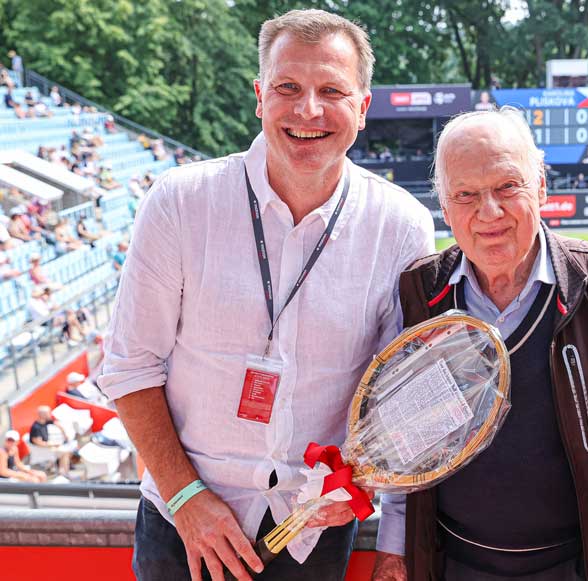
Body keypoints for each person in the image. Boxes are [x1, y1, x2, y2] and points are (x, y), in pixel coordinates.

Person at [97, 9, 435, 581]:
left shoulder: (401, 226)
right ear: (259, 96)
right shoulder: (180, 203)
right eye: (288, 87)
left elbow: (397, 394)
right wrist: (185, 500)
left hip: (313, 535)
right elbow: (130, 368)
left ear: (362, 108)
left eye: (331, 90)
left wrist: (363, 479)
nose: (308, 110)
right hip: (182, 525)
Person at [372, 108, 588, 581]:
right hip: (454, 564)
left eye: (506, 187)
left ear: (541, 186)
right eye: (466, 195)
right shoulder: (418, 295)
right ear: (444, 204)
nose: (489, 212)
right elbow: (401, 444)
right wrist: (394, 548)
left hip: (579, 566)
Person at [29, 406, 76, 478]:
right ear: (42, 415)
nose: (50, 415)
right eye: (48, 413)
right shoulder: (36, 427)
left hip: (48, 447)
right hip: (42, 450)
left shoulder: (45, 422)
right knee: (65, 452)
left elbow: (57, 424)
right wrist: (53, 445)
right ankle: (64, 473)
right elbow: (38, 442)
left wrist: (65, 434)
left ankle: (62, 472)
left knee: (66, 451)